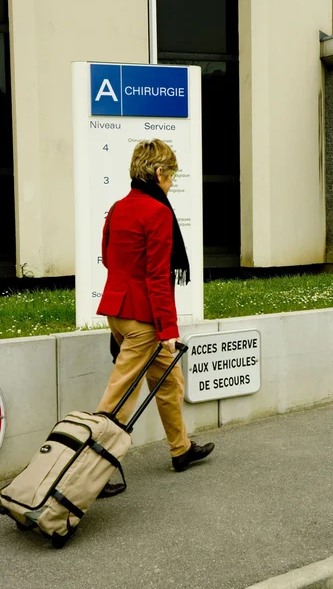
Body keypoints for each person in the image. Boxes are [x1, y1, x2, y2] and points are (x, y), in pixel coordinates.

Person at [96, 139, 214, 498]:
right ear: (158, 172)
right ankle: (88, 472)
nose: (172, 182)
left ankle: (180, 449)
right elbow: (158, 278)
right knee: (119, 400)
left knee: (169, 381)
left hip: (118, 312)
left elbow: (106, 256)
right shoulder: (157, 212)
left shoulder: (119, 208)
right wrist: (167, 330)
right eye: (171, 175)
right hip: (143, 320)